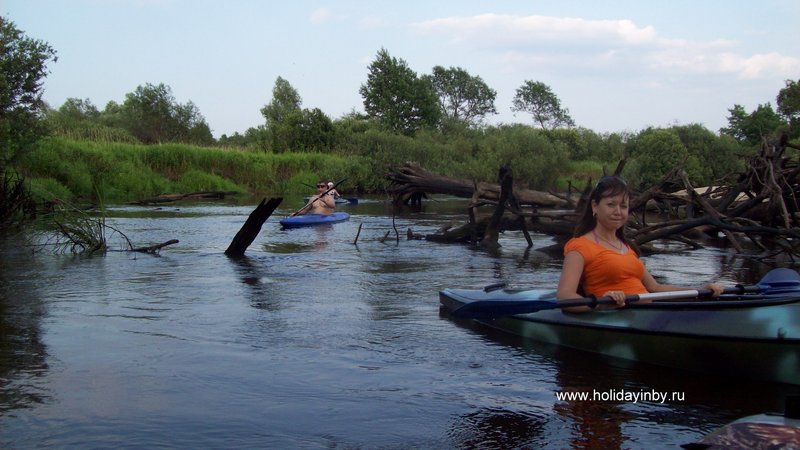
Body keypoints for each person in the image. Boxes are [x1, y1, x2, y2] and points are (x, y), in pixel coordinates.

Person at [556, 175, 723, 312]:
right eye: (611, 205)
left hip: (645, 313)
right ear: (595, 206)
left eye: (623, 206)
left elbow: (655, 288)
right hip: (614, 317)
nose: (618, 212)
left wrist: (699, 290)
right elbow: (564, 295)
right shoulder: (580, 246)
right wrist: (600, 304)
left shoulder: (626, 247)